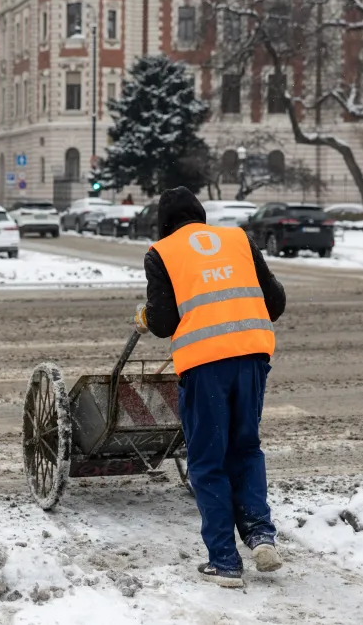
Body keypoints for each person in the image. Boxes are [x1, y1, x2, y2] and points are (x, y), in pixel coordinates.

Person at [134, 186, 286, 588]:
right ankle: (260, 534)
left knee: (207, 459)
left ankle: (224, 561)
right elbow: (276, 303)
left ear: (164, 224)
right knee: (246, 447)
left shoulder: (162, 252)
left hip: (205, 365)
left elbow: (163, 322)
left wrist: (145, 316)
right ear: (201, 215)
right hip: (253, 356)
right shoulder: (238, 240)